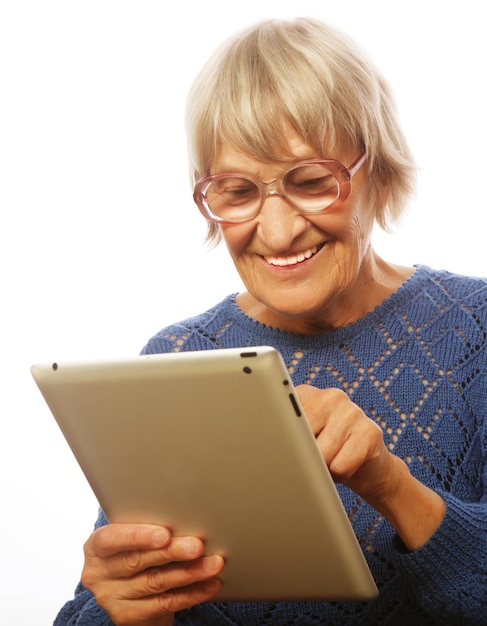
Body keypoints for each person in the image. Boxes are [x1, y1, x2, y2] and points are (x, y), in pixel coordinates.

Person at [54, 17, 487, 626]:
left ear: (380, 173)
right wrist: (118, 608)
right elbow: (103, 606)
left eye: (311, 182)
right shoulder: (178, 358)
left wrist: (388, 483)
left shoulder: (476, 329)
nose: (279, 231)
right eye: (236, 192)